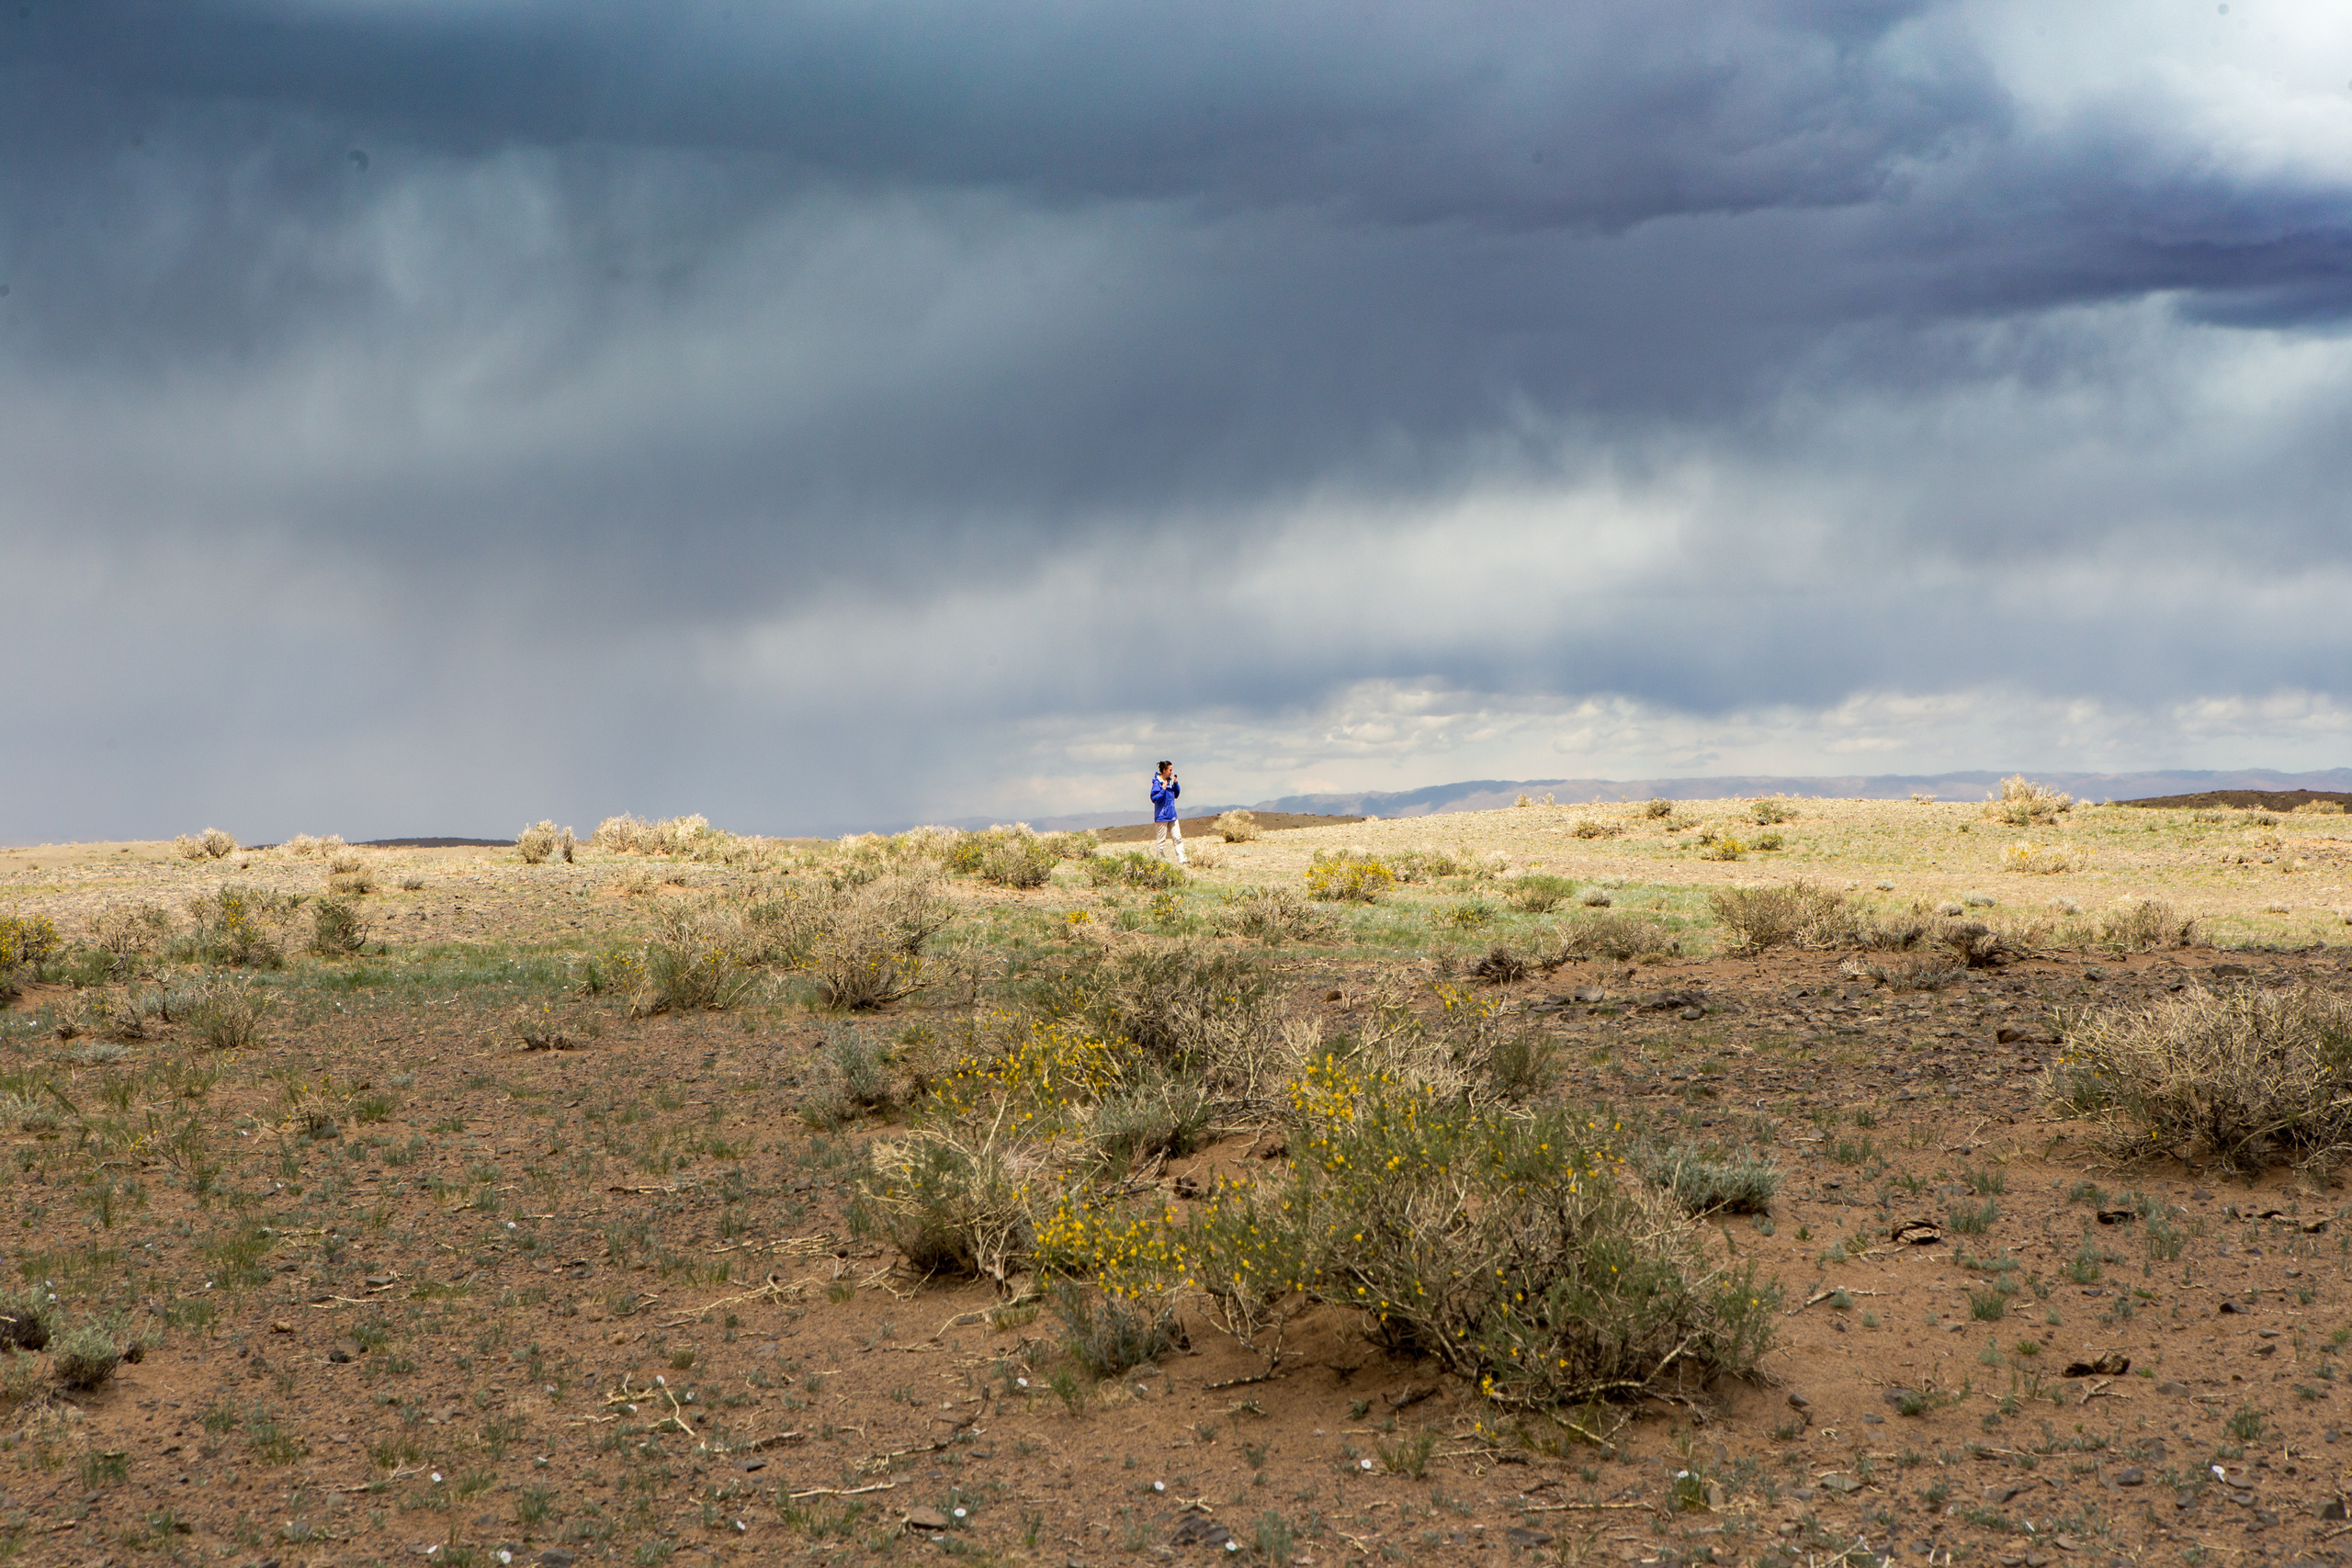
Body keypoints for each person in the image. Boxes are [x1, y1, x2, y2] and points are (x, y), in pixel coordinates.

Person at [1149, 761, 1186, 864]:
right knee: (1161, 842)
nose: (1171, 772)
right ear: (1164, 770)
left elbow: (1176, 795)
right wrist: (1163, 790)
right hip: (1161, 817)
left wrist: (1175, 784)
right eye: (1170, 770)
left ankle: (1182, 859)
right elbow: (1154, 799)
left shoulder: (1170, 782)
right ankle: (1161, 861)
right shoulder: (1157, 783)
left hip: (1172, 816)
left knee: (1177, 837)